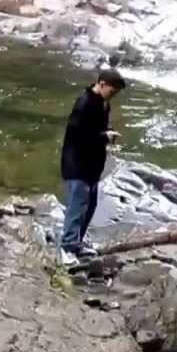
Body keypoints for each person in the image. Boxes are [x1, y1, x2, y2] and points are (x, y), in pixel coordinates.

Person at [59, 67, 126, 265]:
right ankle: (67, 248)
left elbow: (99, 129)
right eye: (112, 91)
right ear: (102, 84)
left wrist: (108, 133)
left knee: (90, 206)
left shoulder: (103, 104)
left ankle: (77, 243)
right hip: (76, 164)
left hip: (92, 166)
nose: (113, 96)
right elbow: (79, 137)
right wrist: (104, 137)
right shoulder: (84, 103)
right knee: (77, 207)